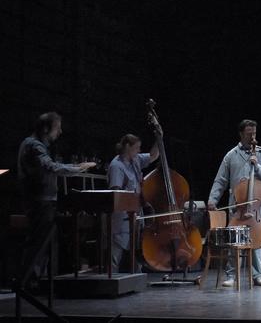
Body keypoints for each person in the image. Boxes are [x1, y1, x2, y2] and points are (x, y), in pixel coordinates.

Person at [17, 112, 97, 286]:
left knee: (41, 243)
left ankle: (33, 280)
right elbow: (50, 167)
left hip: (41, 201)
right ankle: (28, 282)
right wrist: (78, 168)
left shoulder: (32, 144)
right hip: (41, 201)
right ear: (46, 129)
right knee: (38, 243)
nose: (60, 132)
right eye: (57, 128)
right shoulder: (34, 146)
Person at [207, 119, 261, 287]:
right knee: (235, 240)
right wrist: (212, 199)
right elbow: (221, 180)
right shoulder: (231, 155)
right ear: (241, 134)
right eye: (248, 133)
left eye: (254, 133)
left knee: (257, 239)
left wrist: (258, 167)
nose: (252, 137)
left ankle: (257, 275)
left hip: (257, 207)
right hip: (237, 206)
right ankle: (231, 275)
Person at [107, 133, 159, 272]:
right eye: (136, 148)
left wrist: (158, 139)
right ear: (127, 146)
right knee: (116, 253)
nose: (139, 151)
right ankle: (111, 279)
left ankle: (137, 279)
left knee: (136, 253)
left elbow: (153, 156)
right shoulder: (117, 166)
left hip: (135, 215)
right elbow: (116, 193)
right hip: (122, 218)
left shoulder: (135, 159)